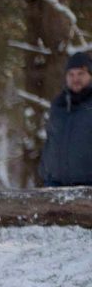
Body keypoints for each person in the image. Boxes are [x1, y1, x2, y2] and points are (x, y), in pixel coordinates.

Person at [42, 50, 92, 187]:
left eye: (81, 74)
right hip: (56, 187)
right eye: (71, 74)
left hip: (87, 189)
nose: (75, 79)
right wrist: (46, 174)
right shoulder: (58, 105)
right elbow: (50, 142)